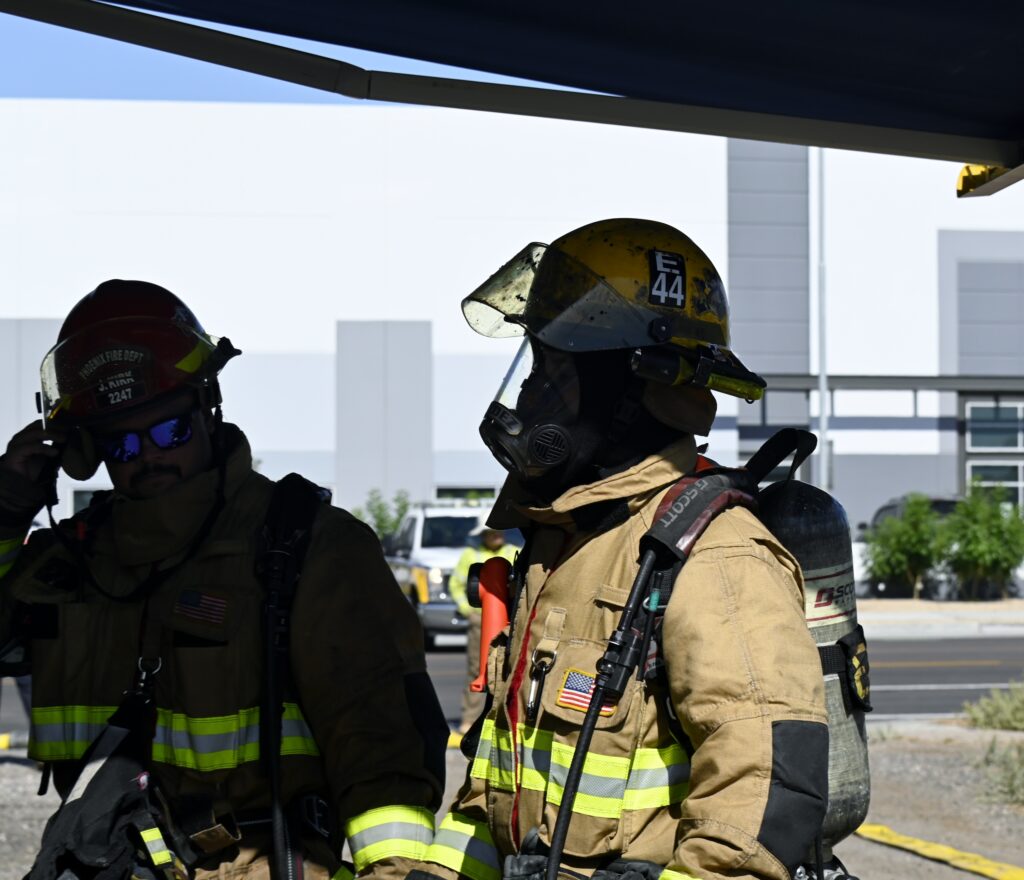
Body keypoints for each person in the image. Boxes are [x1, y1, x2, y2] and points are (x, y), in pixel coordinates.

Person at [419, 219, 829, 880]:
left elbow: (757, 810)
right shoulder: (559, 546)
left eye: (553, 371)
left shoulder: (717, 558)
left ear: (628, 389)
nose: (531, 396)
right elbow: (497, 794)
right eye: (533, 368)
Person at [0, 280, 448, 879]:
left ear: (208, 407)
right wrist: (7, 509)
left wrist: (393, 871)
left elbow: (381, 743)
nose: (149, 455)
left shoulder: (309, 544)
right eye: (122, 443)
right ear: (85, 452)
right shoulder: (75, 561)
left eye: (171, 431)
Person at [447, 524, 519, 734]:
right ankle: (469, 719)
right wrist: (467, 610)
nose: (496, 535)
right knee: (477, 669)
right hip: (479, 620)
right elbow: (455, 584)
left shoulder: (514, 552)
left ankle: (507, 716)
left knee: (511, 667)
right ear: (483, 535)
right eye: (491, 533)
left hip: (511, 621)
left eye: (498, 532)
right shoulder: (471, 555)